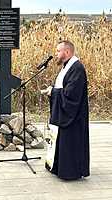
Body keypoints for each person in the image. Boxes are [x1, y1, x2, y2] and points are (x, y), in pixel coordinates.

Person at [41, 40, 90, 180]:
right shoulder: (67, 67)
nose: (56, 54)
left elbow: (71, 95)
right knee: (61, 142)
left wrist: (53, 92)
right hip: (66, 113)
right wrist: (54, 91)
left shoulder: (77, 68)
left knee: (70, 143)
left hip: (73, 116)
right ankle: (58, 166)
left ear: (67, 52)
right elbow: (63, 88)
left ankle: (70, 171)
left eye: (58, 51)